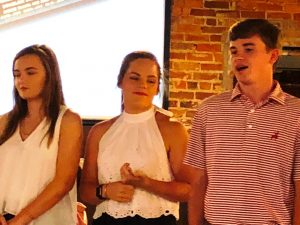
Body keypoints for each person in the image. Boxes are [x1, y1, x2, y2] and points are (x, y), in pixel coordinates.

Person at [179, 19, 300, 225]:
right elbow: (198, 179)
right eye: (234, 51)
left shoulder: (296, 113)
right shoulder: (209, 110)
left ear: (273, 56)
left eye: (249, 49)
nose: (239, 57)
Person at [79, 51, 190, 225]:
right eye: (135, 78)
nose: (143, 85)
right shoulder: (99, 132)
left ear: (157, 88)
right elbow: (85, 190)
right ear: (120, 81)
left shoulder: (173, 130)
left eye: (151, 81)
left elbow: (188, 190)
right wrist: (106, 191)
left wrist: (146, 183)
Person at [0, 44, 83, 225]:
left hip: (47, 220)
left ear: (49, 76)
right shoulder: (4, 122)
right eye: (17, 74)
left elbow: (63, 182)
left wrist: (22, 219)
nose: (22, 79)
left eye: (30, 72)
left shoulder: (68, 121)